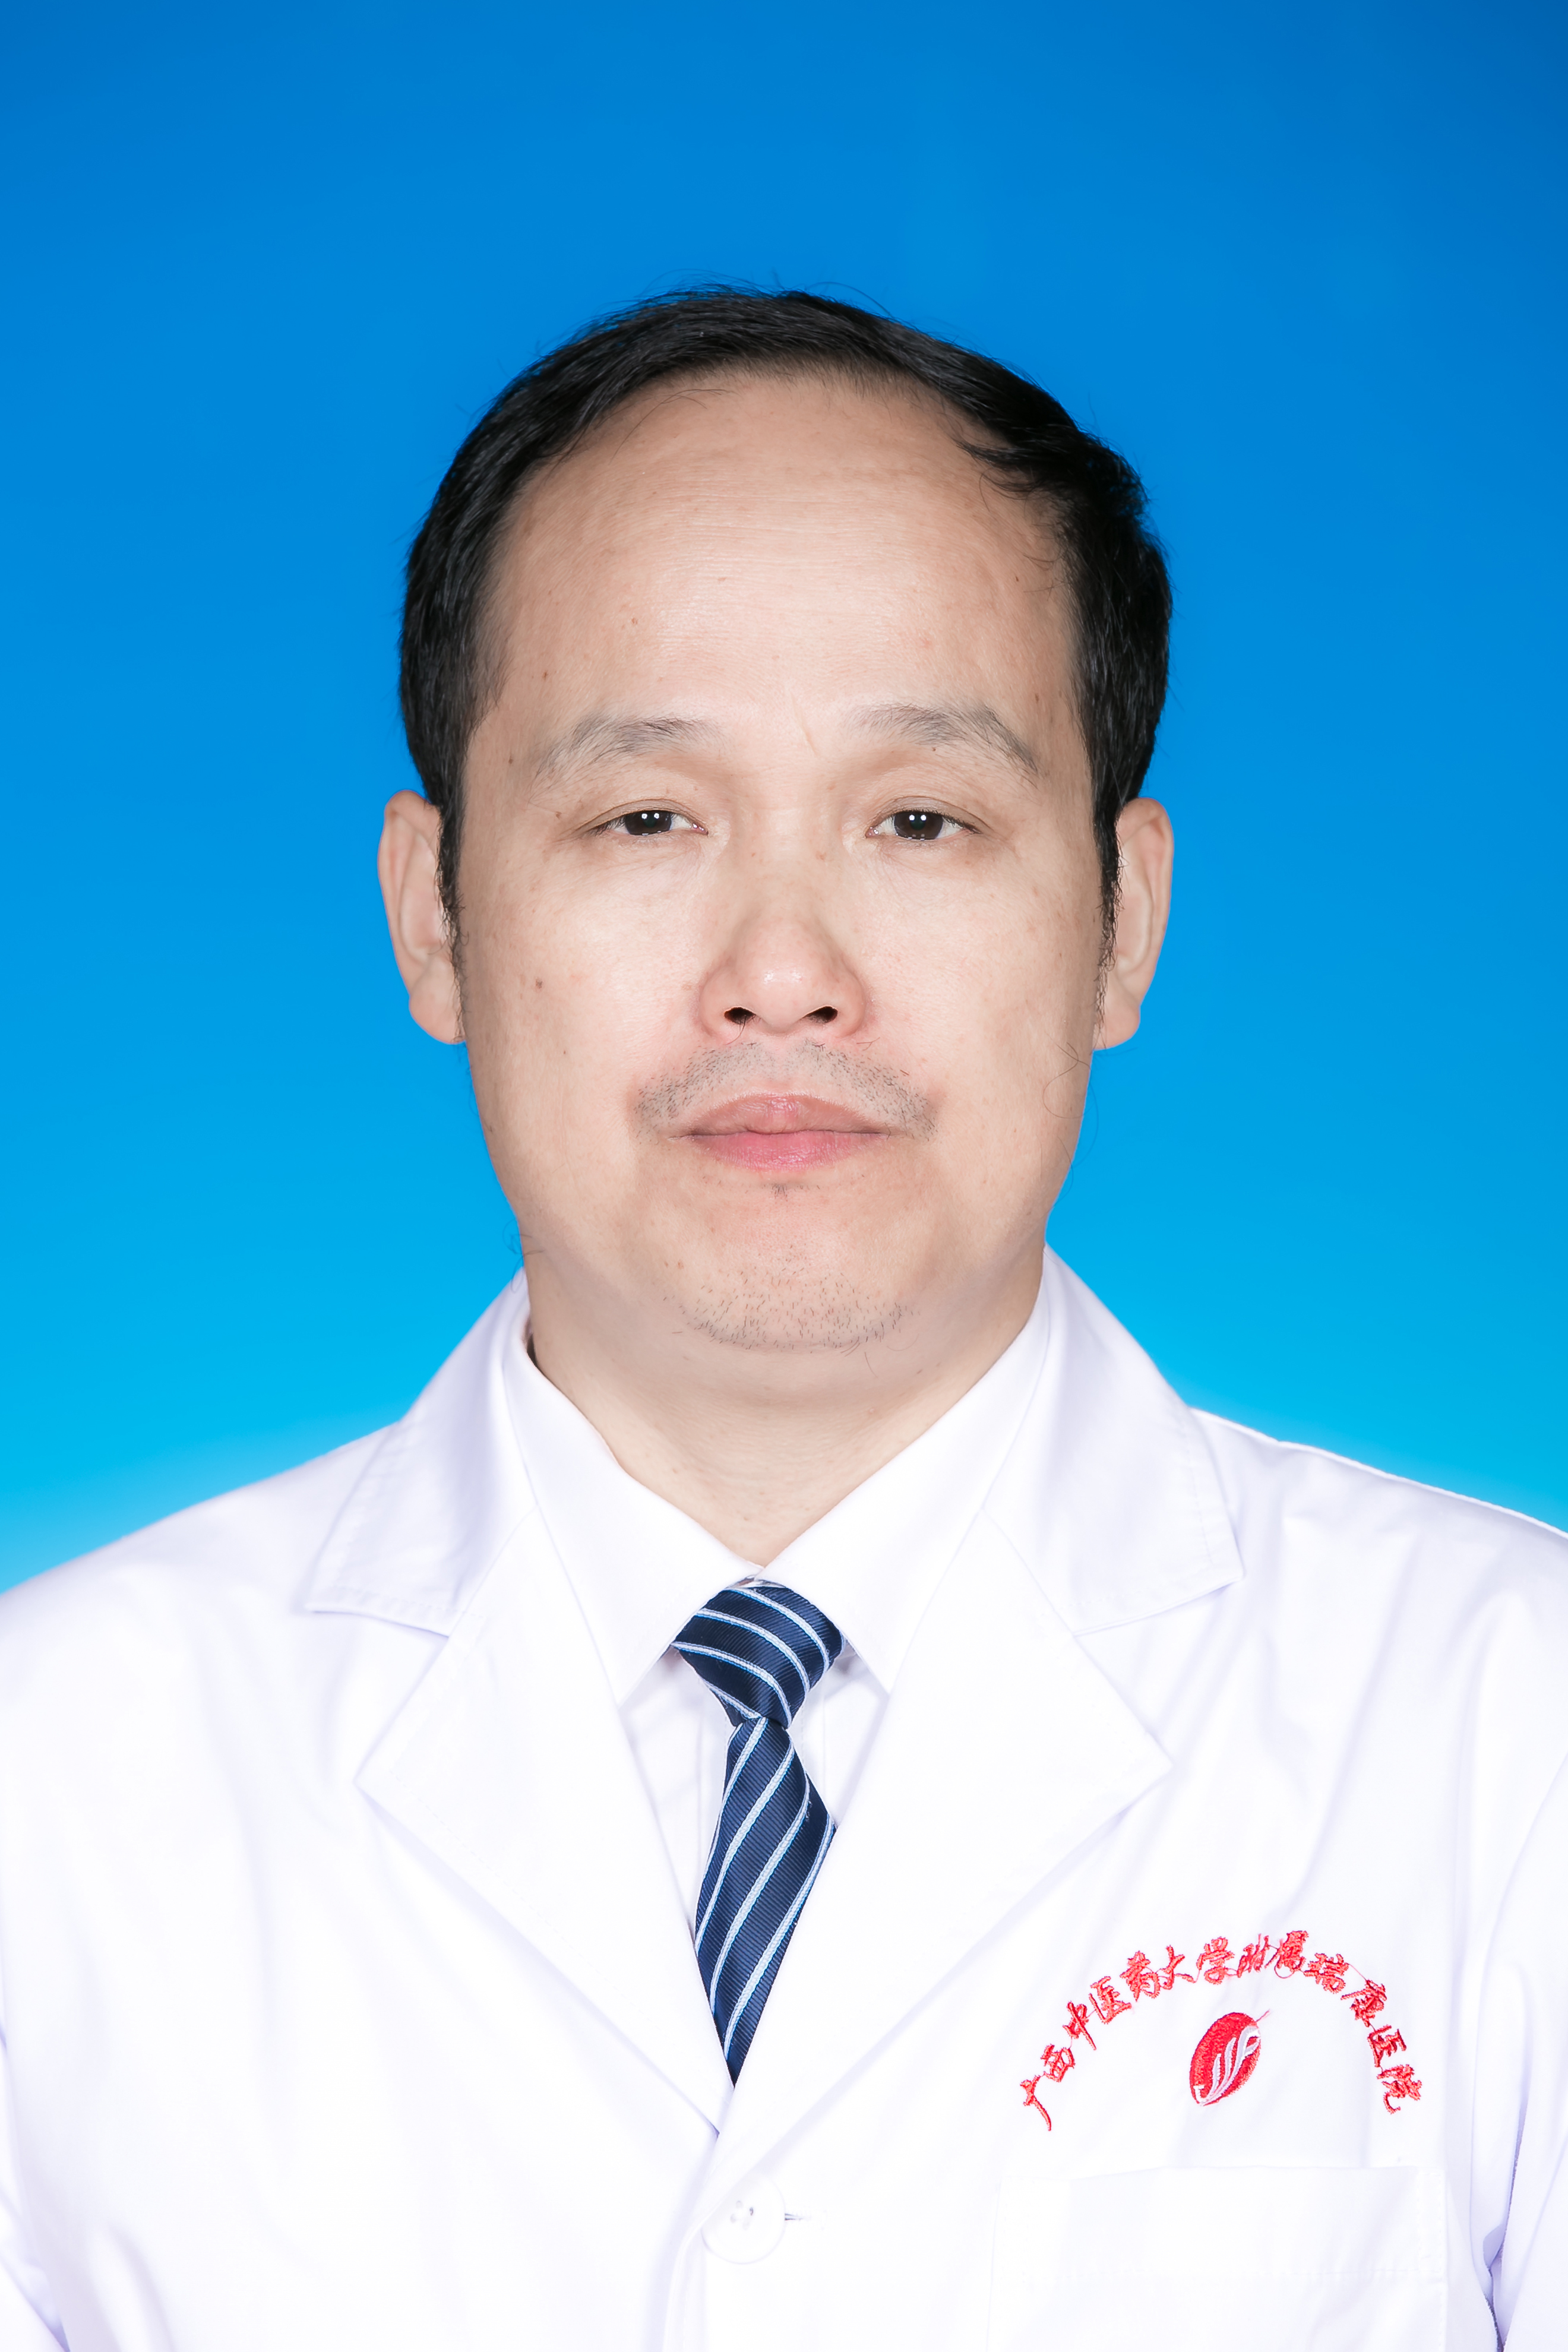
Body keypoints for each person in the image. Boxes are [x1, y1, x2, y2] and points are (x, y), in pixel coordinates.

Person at [0, 290, 1563, 2352]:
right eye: (647, 817)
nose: (784, 969)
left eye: (922, 819)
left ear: (1124, 920)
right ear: (433, 915)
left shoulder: (1506, 1730)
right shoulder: (52, 1779)